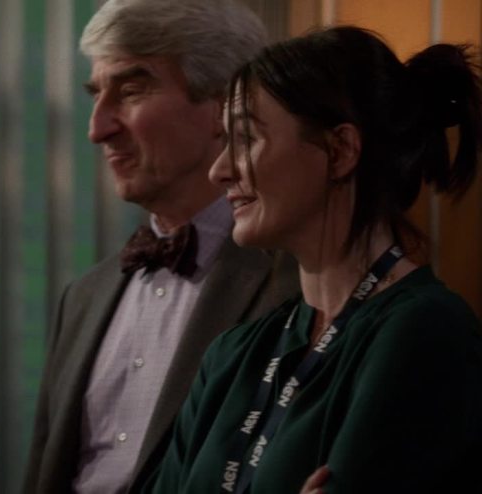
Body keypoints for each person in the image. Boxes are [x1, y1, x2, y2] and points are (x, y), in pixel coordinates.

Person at [141, 26, 482, 493]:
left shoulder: (426, 331)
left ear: (339, 151)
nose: (220, 170)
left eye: (246, 138)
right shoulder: (232, 354)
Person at [23, 1, 300, 493]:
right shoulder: (83, 296)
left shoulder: (300, 287)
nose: (97, 129)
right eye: (96, 95)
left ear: (224, 107)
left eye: (131, 90)